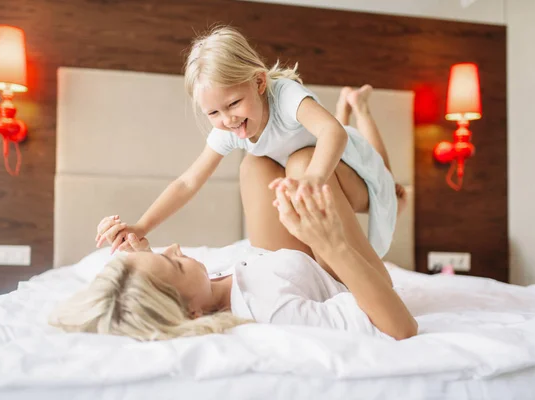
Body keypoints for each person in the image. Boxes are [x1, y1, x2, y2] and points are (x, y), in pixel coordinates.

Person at [95, 26, 403, 286]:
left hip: (351, 169)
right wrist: (142, 226)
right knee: (258, 163)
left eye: (233, 104)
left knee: (367, 166)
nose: (227, 119)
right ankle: (346, 109)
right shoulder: (230, 129)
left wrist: (313, 177)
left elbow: (333, 133)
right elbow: (188, 182)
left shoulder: (285, 96)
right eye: (213, 112)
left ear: (258, 82)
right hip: (314, 171)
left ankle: (359, 108)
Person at [50, 181, 417, 341]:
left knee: (256, 161)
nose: (175, 247)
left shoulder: (199, 292)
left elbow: (141, 290)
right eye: (175, 263)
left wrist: (140, 251)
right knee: (306, 164)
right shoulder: (272, 310)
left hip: (290, 260)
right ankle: (387, 200)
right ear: (192, 314)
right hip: (351, 272)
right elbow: (400, 326)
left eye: (164, 253)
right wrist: (330, 242)